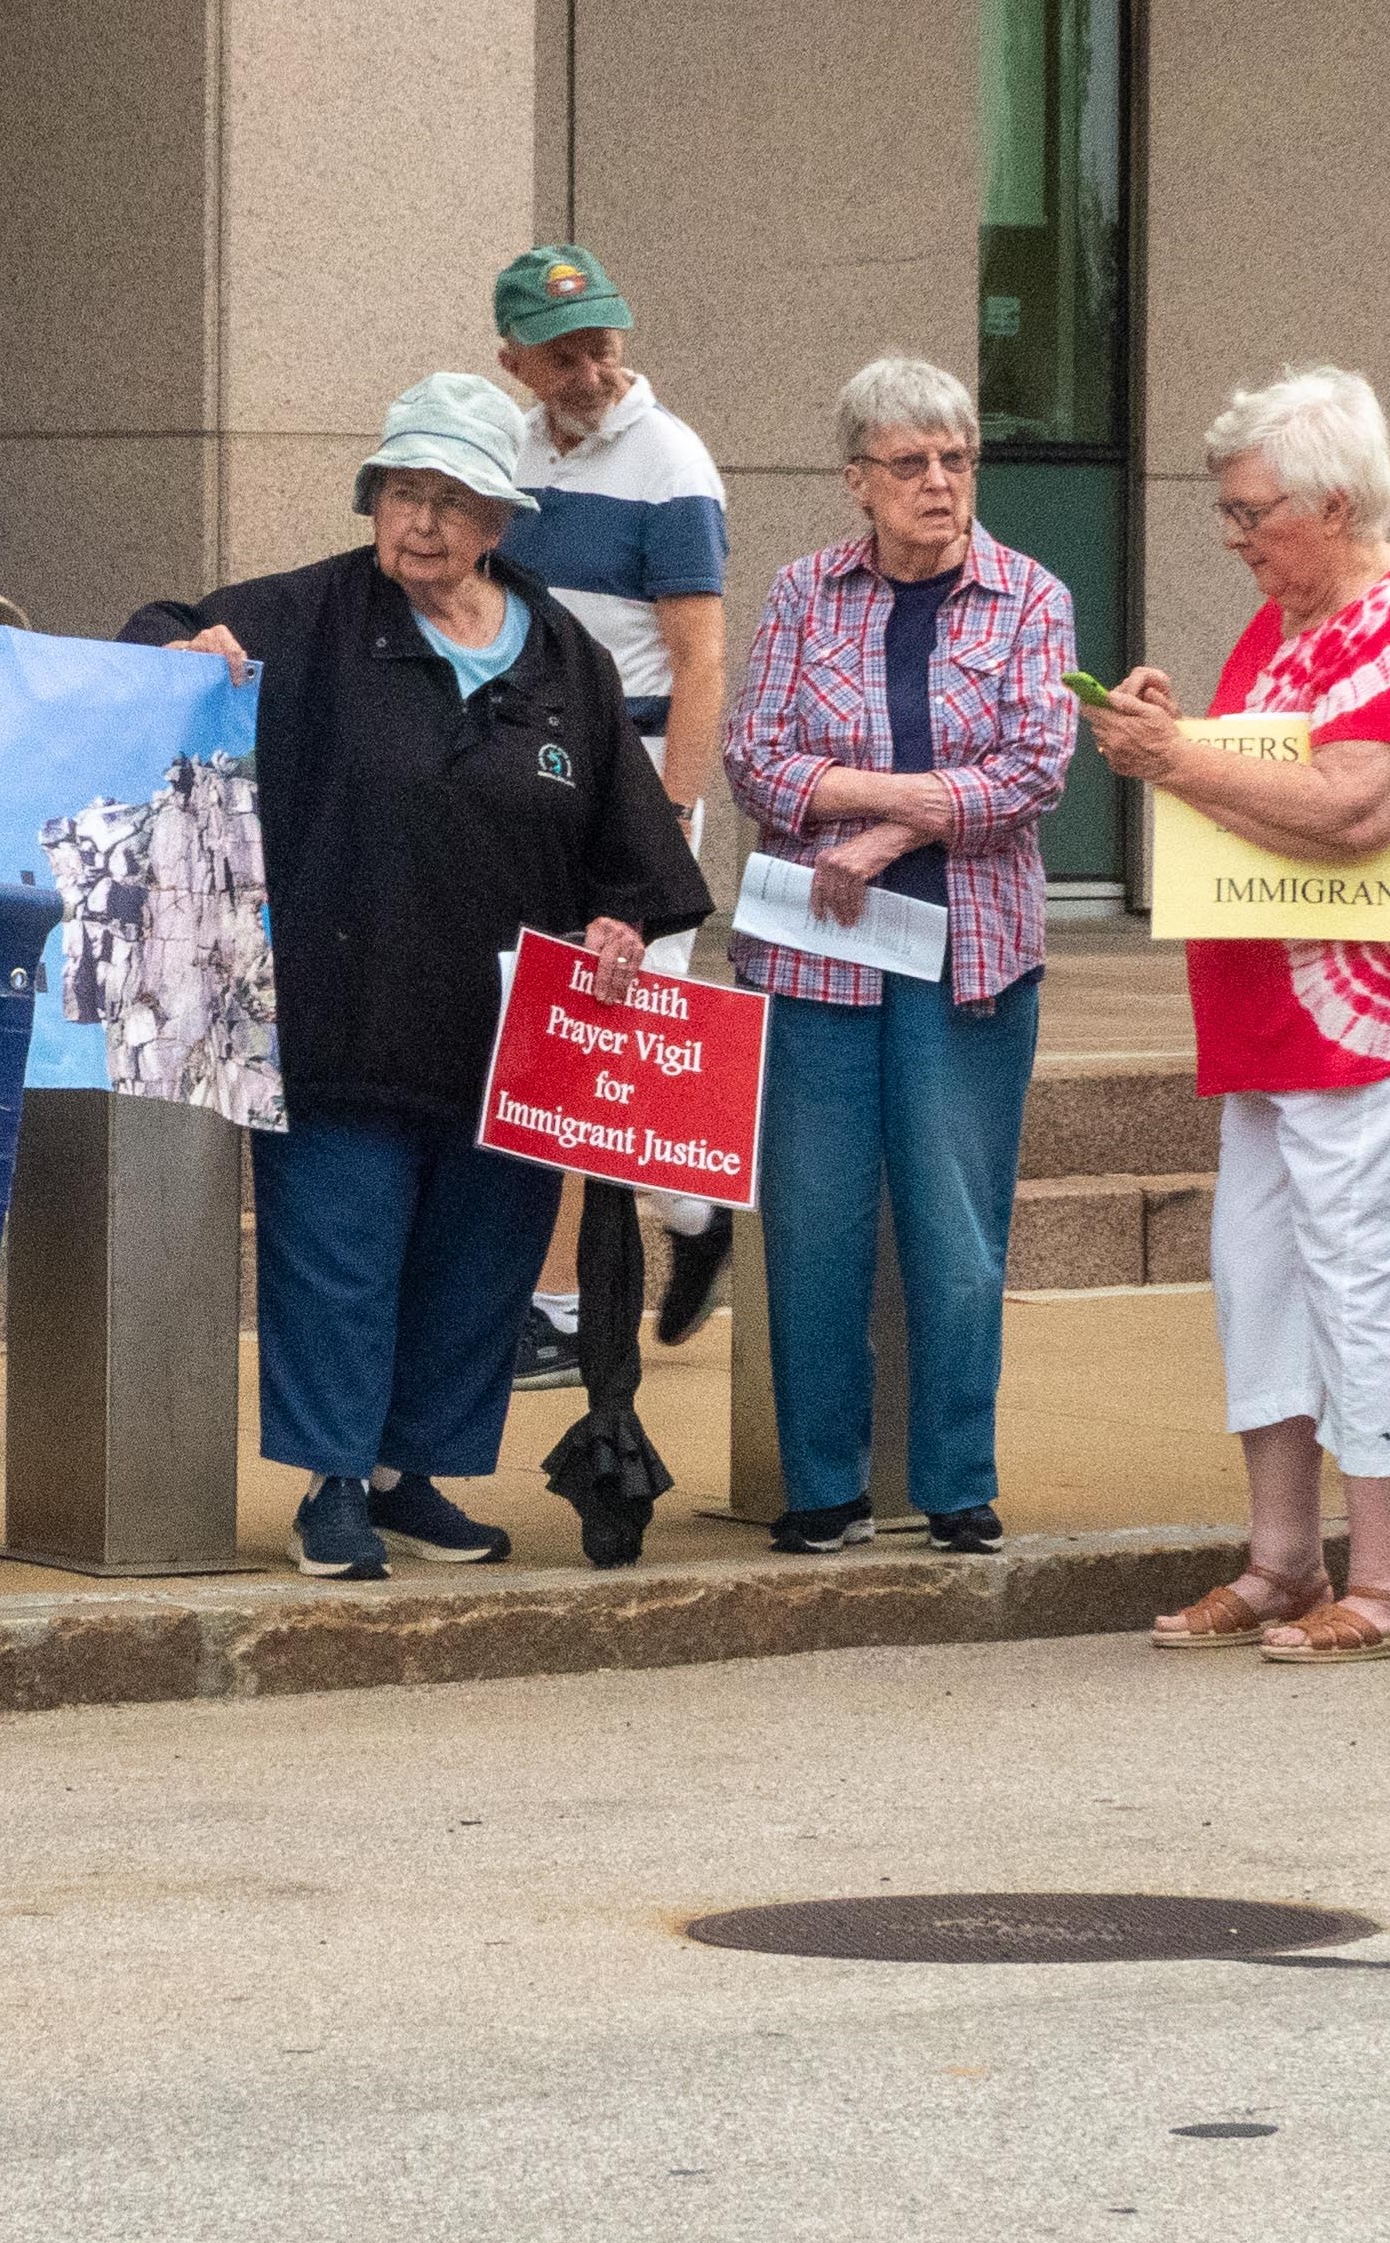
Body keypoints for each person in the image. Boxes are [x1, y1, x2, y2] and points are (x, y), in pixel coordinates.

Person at [122, 373, 708, 1579]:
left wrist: (616, 922)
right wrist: (188, 649)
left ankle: (413, 1475)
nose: (419, 521)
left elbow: (627, 845)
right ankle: (332, 1483)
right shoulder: (310, 615)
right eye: (400, 492)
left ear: (498, 518)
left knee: (475, 1261)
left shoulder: (560, 654)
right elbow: (153, 628)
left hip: (508, 1036)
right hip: (341, 1008)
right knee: (337, 1253)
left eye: (448, 499)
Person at [1088, 366, 1390, 1664]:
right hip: (1278, 1023)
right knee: (1260, 1280)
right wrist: (1175, 738)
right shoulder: (1286, 623)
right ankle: (1283, 1557)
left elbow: (1355, 806)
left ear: (1331, 503)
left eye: (1246, 511)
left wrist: (1178, 760)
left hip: (1379, 1023)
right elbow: (1253, 776)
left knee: (1363, 1278)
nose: (1231, 537)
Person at [724, 354, 1070, 1555]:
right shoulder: (800, 593)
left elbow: (1034, 769)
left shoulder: (1029, 596)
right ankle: (822, 1487)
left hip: (971, 959)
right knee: (813, 1229)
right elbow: (754, 759)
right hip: (816, 958)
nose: (939, 482)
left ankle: (953, 1482)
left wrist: (870, 832)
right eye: (911, 463)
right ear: (856, 480)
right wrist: (901, 800)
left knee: (956, 1234)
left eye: (956, 459)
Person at [489, 242, 739, 1374]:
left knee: (597, 1046)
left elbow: (699, 659)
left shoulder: (671, 463)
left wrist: (672, 816)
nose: (590, 370)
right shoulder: (507, 454)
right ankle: (689, 1213)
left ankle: (561, 1308)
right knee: (556, 1035)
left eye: (602, 344)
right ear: (514, 361)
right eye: (563, 352)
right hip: (541, 779)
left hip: (635, 773)